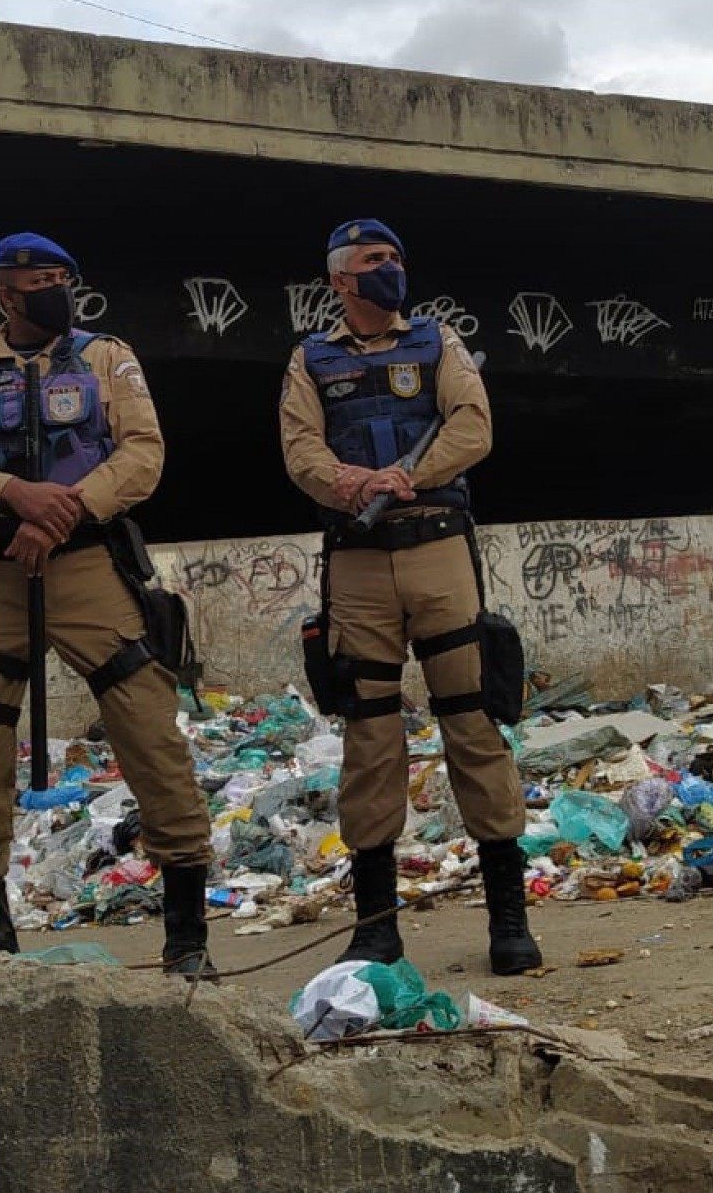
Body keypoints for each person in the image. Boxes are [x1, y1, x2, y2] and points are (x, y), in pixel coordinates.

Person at [0, 231, 213, 975]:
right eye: (41, 280)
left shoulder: (108, 358)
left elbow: (141, 454)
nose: (58, 291)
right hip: (3, 570)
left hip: (85, 563)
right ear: (6, 294)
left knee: (148, 728)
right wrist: (13, 495)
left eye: (63, 278)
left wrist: (63, 513)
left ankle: (187, 938)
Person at [279, 217, 540, 976]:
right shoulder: (311, 359)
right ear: (339, 280)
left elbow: (472, 424)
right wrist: (352, 480)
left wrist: (409, 476)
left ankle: (508, 922)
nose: (388, 268)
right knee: (368, 734)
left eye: (394, 257)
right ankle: (376, 930)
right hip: (357, 562)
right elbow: (300, 448)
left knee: (471, 719)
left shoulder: (438, 343)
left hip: (435, 548)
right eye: (372, 259)